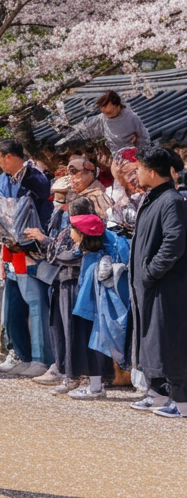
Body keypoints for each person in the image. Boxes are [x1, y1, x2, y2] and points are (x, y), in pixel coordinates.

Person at [126, 146, 187, 418]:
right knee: (151, 341)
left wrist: (151, 272)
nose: (136, 173)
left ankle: (182, 402)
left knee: (169, 341)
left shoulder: (171, 200)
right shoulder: (153, 198)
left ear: (151, 171)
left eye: (138, 168)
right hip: (150, 285)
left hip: (166, 285)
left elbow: (174, 242)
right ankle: (159, 395)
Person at [0, 138, 52, 378]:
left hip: (31, 249)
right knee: (12, 306)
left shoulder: (36, 179)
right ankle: (22, 354)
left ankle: (41, 358)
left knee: (36, 304)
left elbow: (43, 214)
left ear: (9, 156)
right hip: (9, 248)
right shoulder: (1, 180)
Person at [68, 206, 132, 400]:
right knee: (95, 343)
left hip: (95, 309)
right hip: (99, 308)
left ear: (83, 234)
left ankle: (96, 387)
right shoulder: (101, 251)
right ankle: (96, 385)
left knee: (94, 343)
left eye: (73, 229)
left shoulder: (96, 260)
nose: (70, 233)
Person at [58, 90, 151, 153]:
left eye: (109, 112)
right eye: (104, 112)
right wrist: (67, 129)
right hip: (116, 157)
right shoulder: (102, 118)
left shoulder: (131, 117)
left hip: (133, 155)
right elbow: (85, 128)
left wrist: (139, 153)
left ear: (117, 105)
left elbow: (144, 138)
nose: (107, 114)